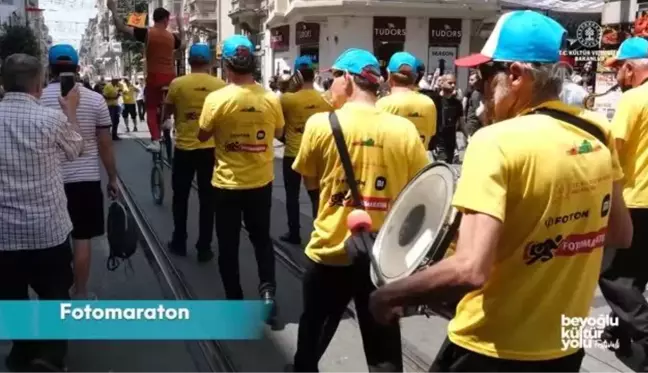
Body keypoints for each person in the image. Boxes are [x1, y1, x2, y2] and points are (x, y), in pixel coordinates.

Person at [367, 11, 633, 373]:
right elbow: (620, 232)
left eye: (485, 74)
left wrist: (389, 294)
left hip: (491, 346)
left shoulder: (494, 142)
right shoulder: (597, 130)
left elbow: (471, 268)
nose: (478, 85)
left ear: (516, 75)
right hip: (565, 343)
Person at [288, 48, 429, 373]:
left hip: (331, 250)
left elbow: (310, 180)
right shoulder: (404, 130)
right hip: (382, 257)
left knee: (313, 331)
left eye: (333, 77)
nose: (330, 84)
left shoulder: (320, 124)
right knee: (383, 348)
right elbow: (421, 189)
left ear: (348, 79)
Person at [0, 53, 83, 373]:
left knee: (11, 297)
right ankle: (49, 357)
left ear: (5, 84)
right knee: (54, 294)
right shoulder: (51, 119)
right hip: (47, 230)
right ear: (38, 83)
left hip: (4, 235)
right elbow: (77, 149)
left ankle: (22, 351)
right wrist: (71, 111)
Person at [197, 35, 284, 322]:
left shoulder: (216, 99)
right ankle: (268, 294)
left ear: (225, 64)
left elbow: (203, 135)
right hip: (261, 182)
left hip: (226, 184)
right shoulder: (271, 99)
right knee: (262, 240)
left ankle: (235, 303)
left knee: (228, 245)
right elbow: (279, 133)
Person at [40, 44, 119, 300]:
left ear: (50, 68)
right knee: (82, 238)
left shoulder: (38, 98)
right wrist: (112, 177)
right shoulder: (95, 99)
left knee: (53, 241)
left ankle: (55, 292)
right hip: (86, 180)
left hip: (50, 181)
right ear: (76, 68)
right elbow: (105, 142)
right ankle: (81, 292)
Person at [599, 36, 648, 368]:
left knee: (613, 275)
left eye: (617, 68)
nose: (615, 75)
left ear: (630, 69)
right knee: (637, 272)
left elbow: (610, 154)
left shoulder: (633, 100)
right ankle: (616, 334)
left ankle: (644, 333)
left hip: (634, 200)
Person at [165, 43, 226, 262]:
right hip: (210, 150)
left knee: (180, 197)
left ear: (189, 61)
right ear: (210, 62)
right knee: (208, 200)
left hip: (184, 148)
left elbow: (168, 110)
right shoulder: (220, 85)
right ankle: (204, 247)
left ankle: (179, 241)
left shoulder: (177, 84)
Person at [107, 0, 185, 152]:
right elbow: (183, 45)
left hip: (155, 77)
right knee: (172, 102)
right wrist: (181, 25)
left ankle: (155, 140)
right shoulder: (172, 37)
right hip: (170, 77)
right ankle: (168, 119)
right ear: (165, 20)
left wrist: (113, 10)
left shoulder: (147, 33)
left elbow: (121, 27)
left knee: (150, 109)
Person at [279, 56, 332, 245]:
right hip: (316, 154)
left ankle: (294, 233)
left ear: (296, 75)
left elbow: (279, 125)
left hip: (293, 154)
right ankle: (321, 233)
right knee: (316, 195)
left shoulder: (287, 99)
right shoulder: (325, 100)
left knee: (291, 196)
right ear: (314, 74)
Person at [377, 51, 437, 149]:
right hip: (420, 162)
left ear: (388, 74)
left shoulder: (383, 104)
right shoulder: (429, 103)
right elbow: (431, 133)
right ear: (415, 77)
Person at [432, 74, 463, 162]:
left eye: (454, 83)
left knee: (448, 165)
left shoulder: (457, 103)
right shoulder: (435, 100)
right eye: (450, 83)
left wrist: (467, 136)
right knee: (441, 164)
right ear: (442, 83)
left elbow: (461, 122)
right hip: (438, 141)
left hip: (451, 142)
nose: (453, 85)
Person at [462, 70, 484, 137]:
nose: (469, 82)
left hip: (475, 124)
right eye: (469, 79)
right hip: (472, 123)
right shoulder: (474, 92)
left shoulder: (477, 93)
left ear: (478, 80)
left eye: (472, 80)